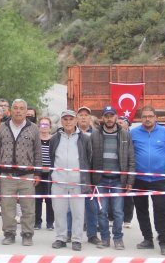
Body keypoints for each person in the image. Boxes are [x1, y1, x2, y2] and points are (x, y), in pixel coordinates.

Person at [0, 99, 42, 246]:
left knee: (28, 207)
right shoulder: (2, 128)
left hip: (27, 175)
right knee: (7, 207)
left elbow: (38, 152)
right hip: (7, 175)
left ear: (26, 111)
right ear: (11, 110)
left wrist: (38, 173)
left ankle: (27, 234)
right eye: (16, 108)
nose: (18, 111)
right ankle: (9, 233)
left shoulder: (33, 129)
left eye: (21, 108)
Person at [130, 105, 165, 255]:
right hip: (139, 178)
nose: (147, 119)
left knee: (161, 209)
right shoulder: (134, 133)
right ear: (140, 118)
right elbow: (130, 154)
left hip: (158, 179)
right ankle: (147, 239)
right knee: (141, 209)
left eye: (150, 116)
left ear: (155, 117)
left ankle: (163, 241)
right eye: (144, 116)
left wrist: (160, 166)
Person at [90, 106, 132, 250]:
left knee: (118, 211)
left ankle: (118, 238)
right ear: (103, 118)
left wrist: (129, 181)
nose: (109, 118)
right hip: (100, 179)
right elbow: (90, 158)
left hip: (118, 180)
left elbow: (131, 159)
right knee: (102, 211)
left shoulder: (125, 135)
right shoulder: (95, 134)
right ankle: (105, 238)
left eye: (111, 116)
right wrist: (91, 180)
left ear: (116, 117)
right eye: (106, 116)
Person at [49, 109, 92, 251]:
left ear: (76, 120)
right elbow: (51, 157)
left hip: (77, 182)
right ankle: (61, 238)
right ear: (61, 121)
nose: (68, 122)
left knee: (78, 213)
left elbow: (88, 157)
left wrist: (86, 179)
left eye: (71, 119)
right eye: (65, 119)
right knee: (59, 212)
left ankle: (77, 240)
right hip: (59, 182)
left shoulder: (84, 138)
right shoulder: (55, 138)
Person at [76, 106, 99, 245]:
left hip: (90, 177)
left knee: (92, 208)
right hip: (74, 176)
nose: (83, 117)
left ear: (90, 119)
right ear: (76, 118)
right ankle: (70, 233)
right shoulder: (71, 133)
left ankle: (92, 235)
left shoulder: (97, 134)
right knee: (71, 208)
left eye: (86, 115)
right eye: (81, 115)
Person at [34, 116, 55, 231]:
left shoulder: (54, 139)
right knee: (37, 198)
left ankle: (50, 222)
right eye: (42, 124)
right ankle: (37, 222)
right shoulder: (35, 140)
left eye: (46, 125)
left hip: (50, 173)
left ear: (50, 127)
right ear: (38, 127)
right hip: (38, 173)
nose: (44, 127)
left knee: (49, 199)